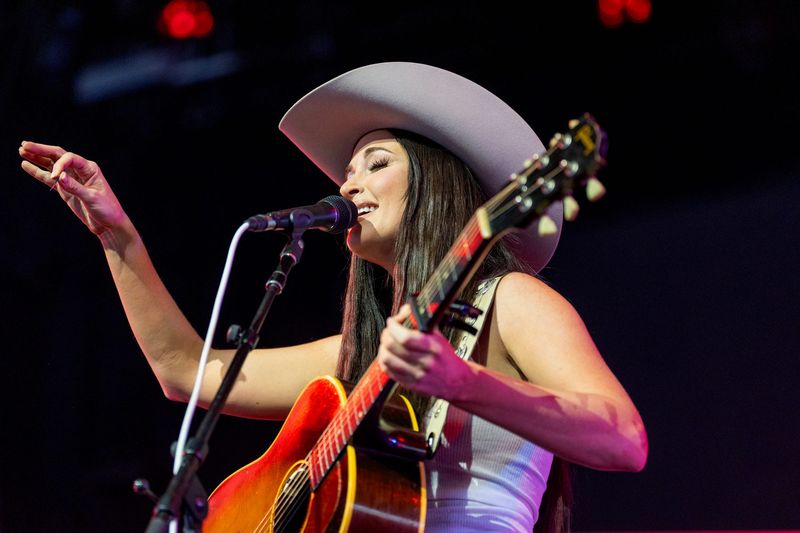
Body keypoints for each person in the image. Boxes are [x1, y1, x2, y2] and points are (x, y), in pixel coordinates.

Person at [19, 62, 647, 532]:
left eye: (376, 163)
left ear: (437, 186)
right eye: (349, 170)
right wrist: (115, 234)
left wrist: (466, 384)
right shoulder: (358, 359)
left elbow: (623, 440)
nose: (349, 183)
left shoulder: (510, 300)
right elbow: (186, 371)